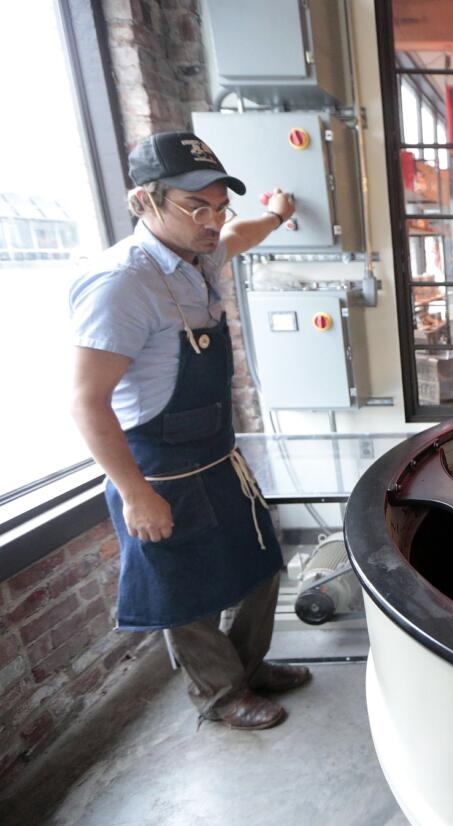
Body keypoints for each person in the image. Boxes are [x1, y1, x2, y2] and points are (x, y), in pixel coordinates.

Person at [69, 131, 308, 730]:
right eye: (195, 206)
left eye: (218, 205)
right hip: (157, 466)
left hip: (215, 453)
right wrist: (135, 494)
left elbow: (238, 236)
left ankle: (248, 668)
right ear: (144, 202)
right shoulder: (121, 283)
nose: (212, 220)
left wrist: (274, 216)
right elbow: (86, 402)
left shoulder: (201, 255)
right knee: (186, 590)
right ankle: (222, 697)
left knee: (261, 560)